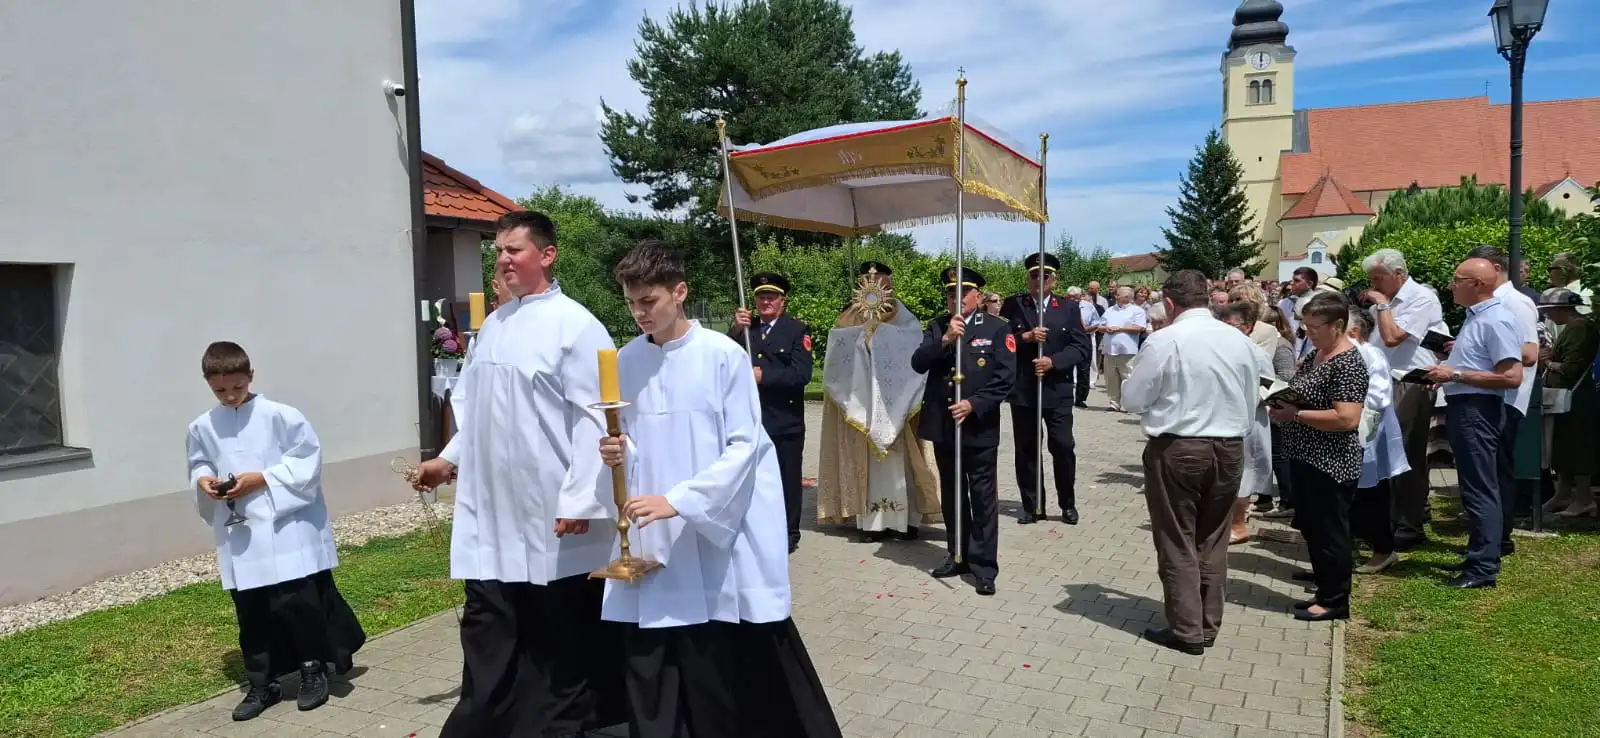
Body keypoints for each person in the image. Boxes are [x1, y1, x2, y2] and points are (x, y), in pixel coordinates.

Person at [599, 240, 841, 738]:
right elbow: (636, 440)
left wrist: (681, 501)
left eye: (649, 301)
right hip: (653, 529)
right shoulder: (624, 361)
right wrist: (618, 454)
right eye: (631, 302)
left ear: (680, 292)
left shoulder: (723, 355)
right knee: (654, 646)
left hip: (713, 529)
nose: (639, 312)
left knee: (719, 648)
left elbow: (744, 446)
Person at [410, 211, 626, 737]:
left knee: (556, 630)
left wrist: (579, 499)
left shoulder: (576, 324)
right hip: (491, 511)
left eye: (514, 250)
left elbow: (595, 418)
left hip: (550, 513)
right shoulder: (495, 327)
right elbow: (477, 411)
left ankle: (559, 724)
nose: (503, 260)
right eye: (498, 250)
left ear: (547, 256)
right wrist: (449, 459)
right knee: (490, 622)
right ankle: (485, 721)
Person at [187, 341, 365, 721]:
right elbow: (198, 461)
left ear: (251, 376)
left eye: (237, 386)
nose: (230, 396)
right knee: (251, 611)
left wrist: (263, 479)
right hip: (241, 533)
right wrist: (203, 479)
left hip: (286, 527)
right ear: (208, 385)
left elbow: (307, 462)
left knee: (296, 603)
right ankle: (261, 682)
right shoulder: (202, 426)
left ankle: (312, 668)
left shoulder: (281, 416)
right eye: (220, 390)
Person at [1120, 270, 1264, 655]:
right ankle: (1207, 623)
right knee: (1213, 536)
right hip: (1230, 445)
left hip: (1180, 447)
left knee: (1177, 537)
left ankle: (1186, 629)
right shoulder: (1239, 340)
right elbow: (1255, 392)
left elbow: (1132, 399)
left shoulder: (1165, 339)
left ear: (1169, 304)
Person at [817, 261, 942, 544]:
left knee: (899, 463)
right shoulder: (849, 315)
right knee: (868, 463)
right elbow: (838, 348)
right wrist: (861, 339)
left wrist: (881, 336)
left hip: (893, 401)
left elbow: (913, 345)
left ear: (890, 283)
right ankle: (871, 523)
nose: (877, 284)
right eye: (870, 279)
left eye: (882, 280)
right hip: (863, 401)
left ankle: (904, 522)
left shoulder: (902, 314)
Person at [913, 265, 1016, 596]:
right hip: (945, 424)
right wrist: (945, 340)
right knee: (953, 492)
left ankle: (984, 565)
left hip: (978, 425)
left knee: (982, 496)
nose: (955, 299)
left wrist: (973, 403)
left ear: (978, 296)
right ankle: (956, 553)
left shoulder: (999, 328)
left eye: (962, 293)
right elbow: (918, 362)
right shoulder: (937, 326)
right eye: (949, 293)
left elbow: (1005, 378)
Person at [1267, 291, 1367, 621]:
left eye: (1314, 327)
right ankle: (1324, 585)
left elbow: (1346, 418)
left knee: (1330, 532)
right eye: (1304, 326)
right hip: (1305, 456)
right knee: (1313, 528)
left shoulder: (1348, 363)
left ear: (1338, 325)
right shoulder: (1317, 355)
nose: (1307, 333)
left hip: (1331, 462)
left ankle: (1335, 601)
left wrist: (1294, 416)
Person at [1428, 257, 1525, 589]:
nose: (1451, 285)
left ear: (1478, 284)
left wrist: (1453, 373)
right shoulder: (1478, 319)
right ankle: (1481, 555)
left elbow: (1512, 376)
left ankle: (1483, 567)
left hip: (1477, 409)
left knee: (1480, 488)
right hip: (1468, 405)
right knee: (1478, 486)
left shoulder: (1495, 320)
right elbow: (1482, 363)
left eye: (1458, 279)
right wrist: (1455, 362)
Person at [1360, 249, 1448, 551]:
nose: (1373, 286)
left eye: (1378, 279)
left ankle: (1410, 525)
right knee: (1381, 454)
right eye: (1371, 280)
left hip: (1410, 384)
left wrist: (1382, 305)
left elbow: (1392, 337)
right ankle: (1390, 519)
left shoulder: (1421, 298)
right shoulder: (1386, 301)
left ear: (1398, 273)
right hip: (1383, 384)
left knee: (1406, 456)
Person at [1000, 253, 1091, 524]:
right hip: (1025, 390)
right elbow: (999, 343)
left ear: (1055, 279)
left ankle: (1067, 503)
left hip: (1056, 389)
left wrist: (1054, 361)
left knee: (1062, 446)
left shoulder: (1068, 308)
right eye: (1034, 275)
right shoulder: (1014, 305)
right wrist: (1024, 337)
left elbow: (1081, 348)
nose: (1039, 279)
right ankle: (1032, 504)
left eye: (1045, 275)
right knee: (1027, 449)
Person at [730, 272, 814, 553]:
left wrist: (763, 375)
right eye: (760, 297)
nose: (765, 301)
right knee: (752, 476)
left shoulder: (797, 330)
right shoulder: (747, 329)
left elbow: (801, 374)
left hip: (784, 419)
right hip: (751, 417)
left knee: (787, 478)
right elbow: (725, 359)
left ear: (782, 301)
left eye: (771, 297)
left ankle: (789, 532)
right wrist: (734, 330)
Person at [1465, 245, 1540, 556]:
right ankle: (1491, 537)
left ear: (1494, 268)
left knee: (1497, 471)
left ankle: (1500, 539)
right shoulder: (1491, 304)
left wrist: (1484, 353)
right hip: (1486, 397)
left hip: (1505, 399)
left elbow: (1530, 354)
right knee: (1487, 472)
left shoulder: (1516, 303)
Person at [1216, 303, 1275, 547]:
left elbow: (1269, 388)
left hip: (1249, 420)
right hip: (1224, 419)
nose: (1226, 331)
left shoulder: (1256, 354)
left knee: (1245, 472)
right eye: (1224, 326)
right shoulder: (1219, 350)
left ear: (1248, 327)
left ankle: (1239, 525)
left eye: (1232, 326)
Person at [1536, 288, 1597, 517]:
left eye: (1550, 311)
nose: (1548, 316)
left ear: (1561, 309)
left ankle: (1583, 499)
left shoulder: (1579, 328)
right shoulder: (1573, 328)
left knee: (1579, 448)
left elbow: (1571, 368)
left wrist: (1549, 361)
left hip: (1577, 398)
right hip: (1568, 398)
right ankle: (1562, 494)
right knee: (1562, 447)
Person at [1100, 286, 1148, 411]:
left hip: (1127, 350)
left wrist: (1120, 329)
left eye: (1118, 294)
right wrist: (1106, 329)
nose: (1116, 296)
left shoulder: (1137, 311)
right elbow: (1100, 325)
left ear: (1127, 297)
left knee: (1128, 378)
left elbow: (1140, 328)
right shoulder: (1110, 310)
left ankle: (1128, 404)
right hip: (1110, 349)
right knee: (1111, 378)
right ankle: (1114, 403)